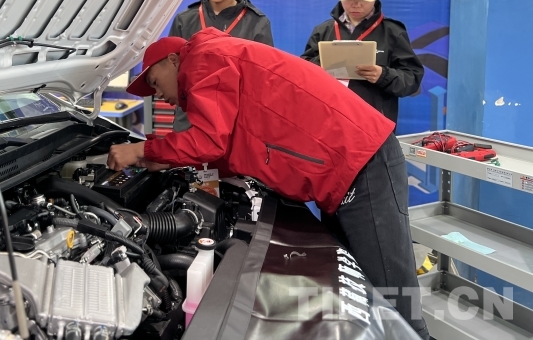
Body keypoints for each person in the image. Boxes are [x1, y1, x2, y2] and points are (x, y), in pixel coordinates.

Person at [108, 29, 430, 340]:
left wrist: (142, 151)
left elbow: (209, 141)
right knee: (362, 302)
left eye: (155, 82)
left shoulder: (204, 59)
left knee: (395, 306)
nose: (159, 96)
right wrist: (169, 160)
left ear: (173, 60)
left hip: (361, 160)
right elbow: (228, 148)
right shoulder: (215, 60)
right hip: (344, 169)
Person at [301, 0, 424, 125]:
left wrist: (383, 75)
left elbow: (412, 79)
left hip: (374, 124)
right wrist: (321, 65)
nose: (356, 4)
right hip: (330, 121)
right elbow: (303, 71)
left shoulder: (393, 32)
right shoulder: (323, 31)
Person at [167, 0, 273, 131]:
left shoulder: (257, 23)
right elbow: (170, 71)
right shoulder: (185, 20)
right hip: (190, 121)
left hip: (235, 123)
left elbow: (263, 81)